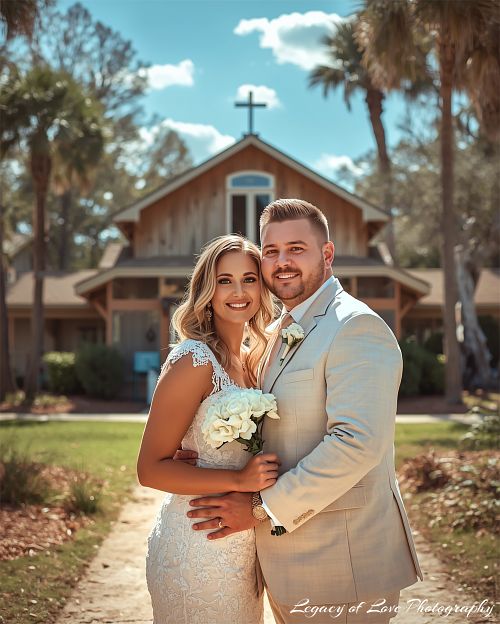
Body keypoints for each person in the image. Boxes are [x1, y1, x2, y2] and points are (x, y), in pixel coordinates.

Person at [181, 199, 423, 624]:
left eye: (297, 248)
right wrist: (206, 450)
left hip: (342, 567)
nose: (282, 262)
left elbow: (356, 444)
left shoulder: (355, 327)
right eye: (271, 251)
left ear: (327, 255)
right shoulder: (275, 332)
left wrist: (258, 507)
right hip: (285, 565)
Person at [137, 234, 279, 624]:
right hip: (197, 543)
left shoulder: (255, 364)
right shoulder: (194, 360)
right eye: (224, 280)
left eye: (249, 279)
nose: (238, 291)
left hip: (243, 546)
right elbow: (149, 469)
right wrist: (239, 478)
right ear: (207, 289)